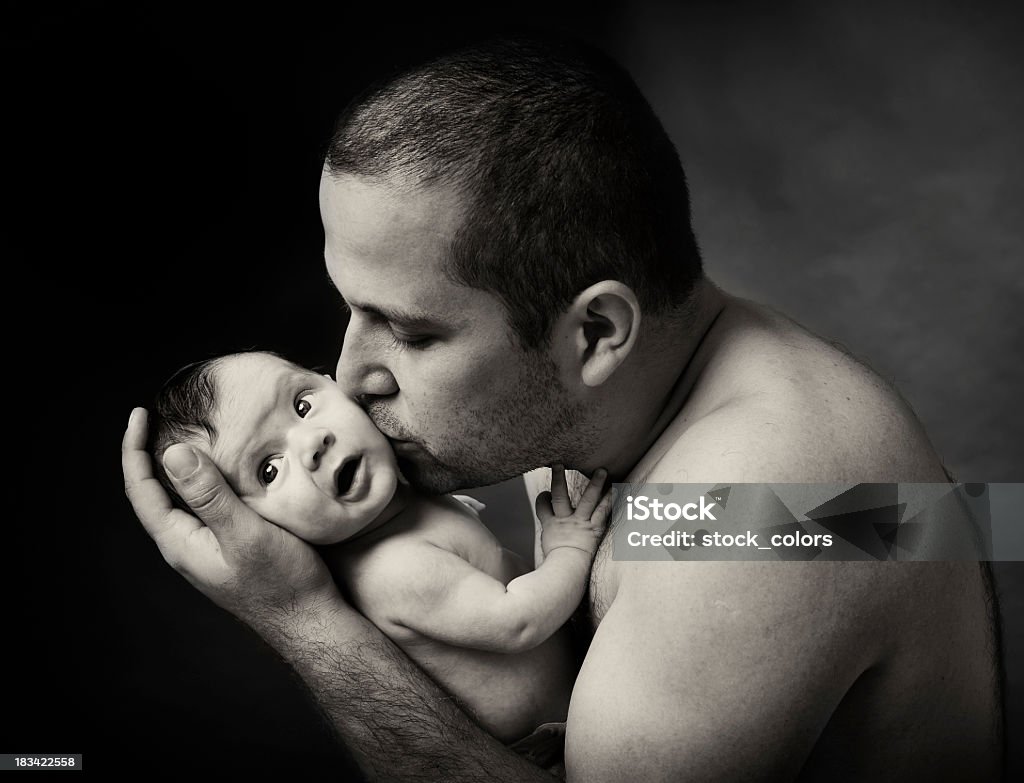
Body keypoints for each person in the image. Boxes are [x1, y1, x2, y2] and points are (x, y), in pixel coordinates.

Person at [123, 36, 1003, 781]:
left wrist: (300, 617)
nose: (352, 378)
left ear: (595, 333)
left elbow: (824, 530)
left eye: (412, 333)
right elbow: (948, 535)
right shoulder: (634, 395)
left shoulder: (750, 515)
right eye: (352, 312)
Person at [147, 349, 611, 748]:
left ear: (333, 383)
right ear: (254, 530)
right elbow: (519, 621)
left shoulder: (399, 506)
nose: (312, 442)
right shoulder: (392, 569)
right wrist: (569, 548)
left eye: (303, 404)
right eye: (268, 469)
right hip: (553, 743)